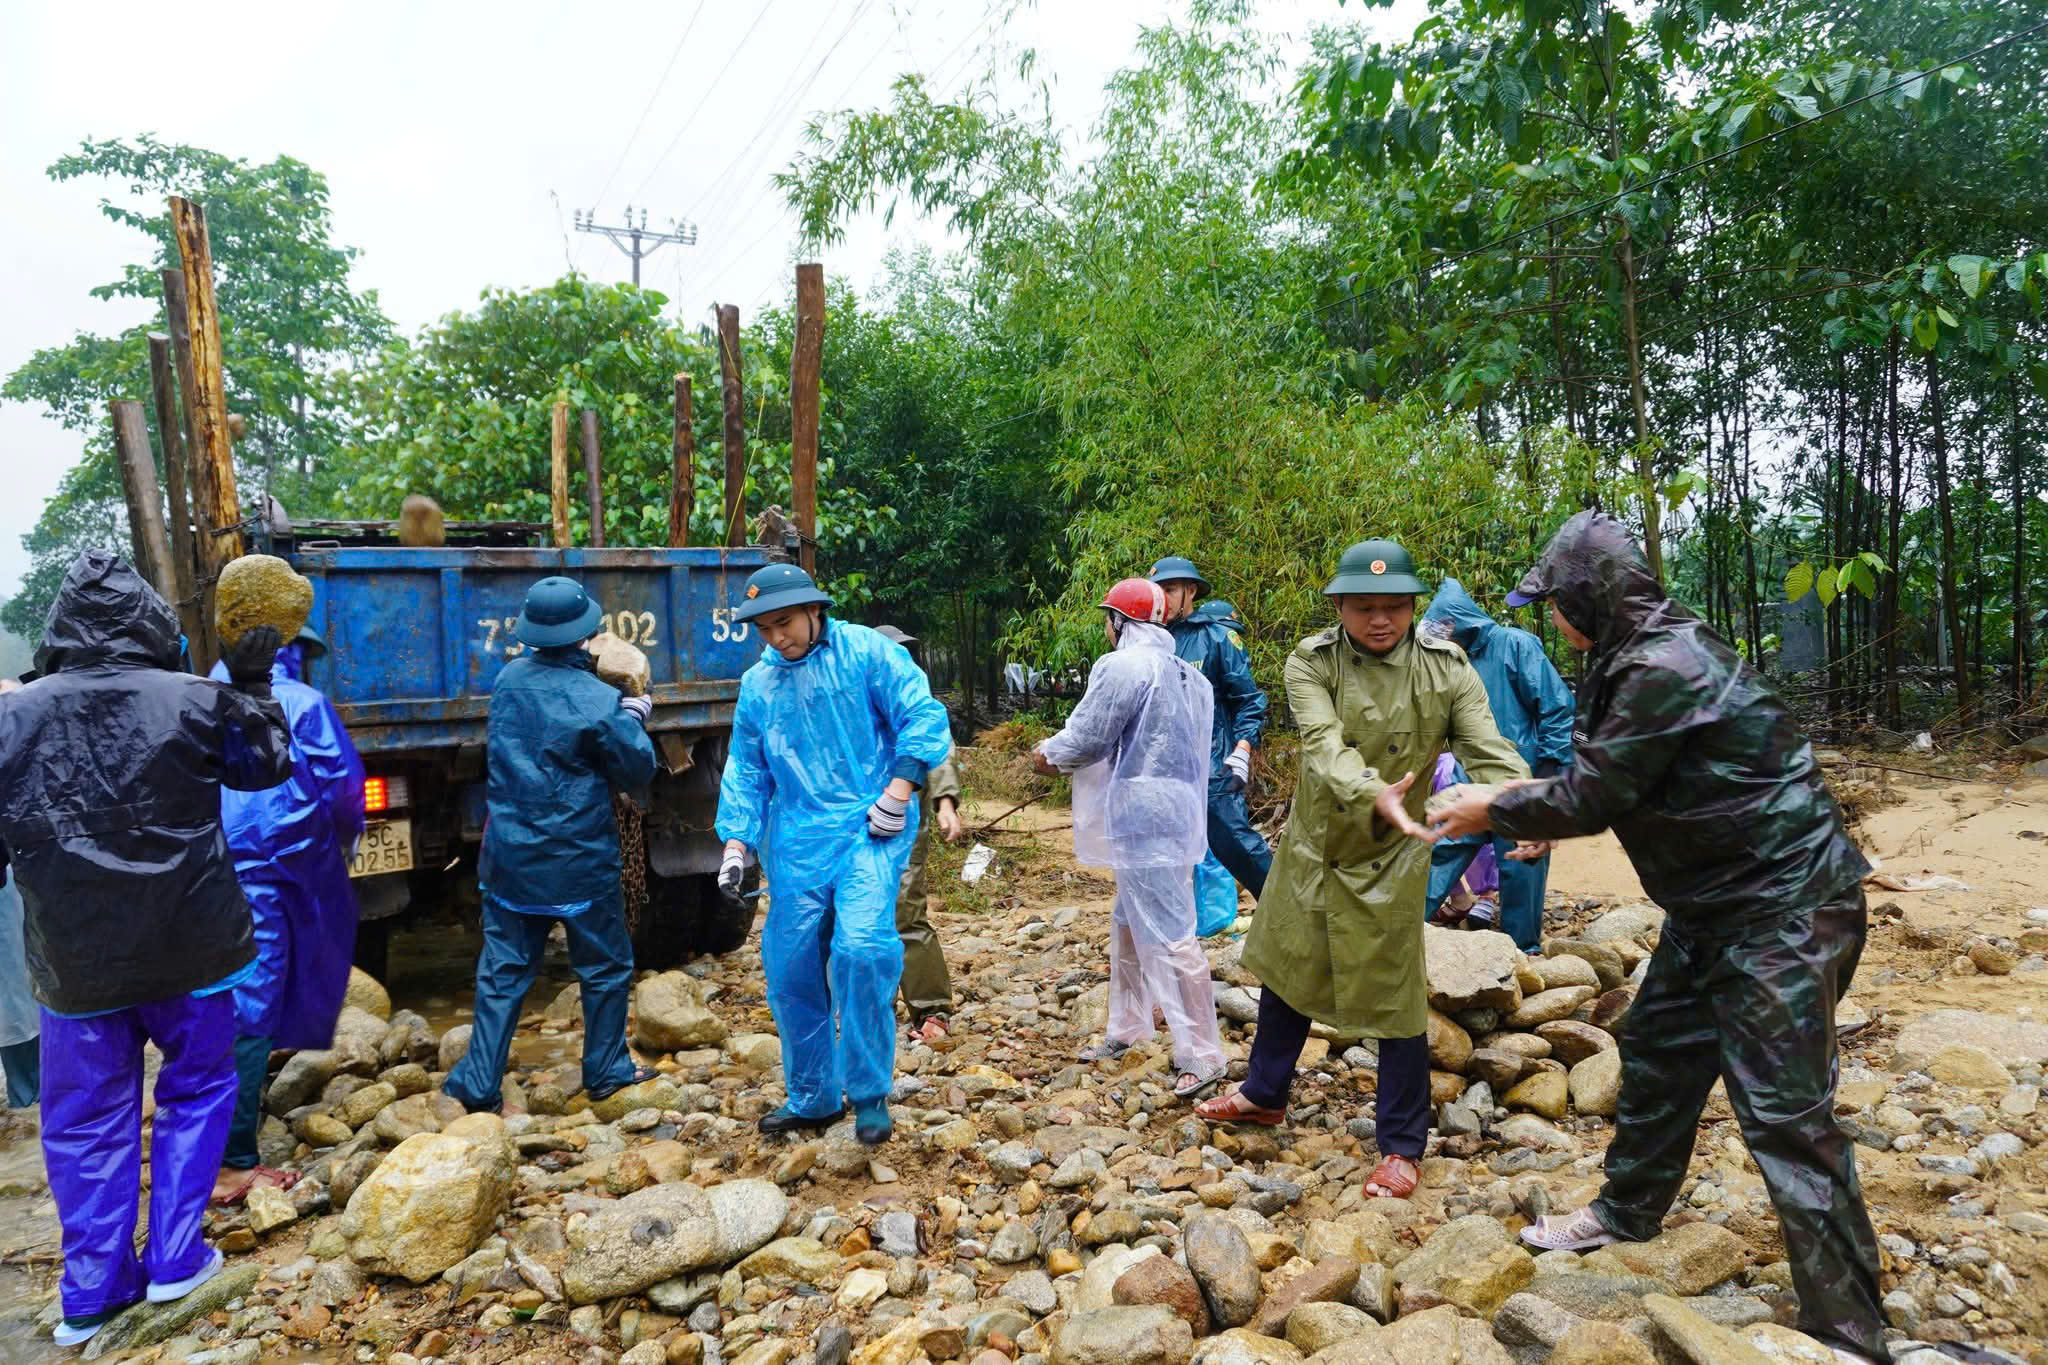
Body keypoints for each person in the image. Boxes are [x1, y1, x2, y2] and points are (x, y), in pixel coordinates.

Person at [1428, 511, 1887, 1365]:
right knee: (1661, 1050)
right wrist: (1545, 815)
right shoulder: (1634, 651)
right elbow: (1628, 777)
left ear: (1586, 599)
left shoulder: (1663, 661)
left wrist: (1495, 805)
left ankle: (1851, 1332)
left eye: (1554, 602)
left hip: (1783, 910)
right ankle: (1626, 1211)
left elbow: (1599, 791)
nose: (1550, 619)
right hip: (1715, 908)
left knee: (1787, 1117)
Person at [0, 551, 292, 1347]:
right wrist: (257, 685)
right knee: (197, 1088)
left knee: (86, 1116)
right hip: (191, 947)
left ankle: (90, 1288)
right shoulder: (197, 697)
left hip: (74, 961)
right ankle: (174, 1256)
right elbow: (267, 766)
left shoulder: (14, 715)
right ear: (149, 622)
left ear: (61, 631)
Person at [1196, 540, 1527, 1200]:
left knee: (1397, 991)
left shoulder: (1446, 668)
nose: (1382, 619)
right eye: (1366, 607)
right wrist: (1372, 786)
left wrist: (1525, 806)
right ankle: (1264, 1092)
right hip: (1319, 842)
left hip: (1394, 850)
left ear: (1413, 606)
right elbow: (1323, 745)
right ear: (1340, 606)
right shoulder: (1311, 662)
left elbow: (1489, 749)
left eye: (1397, 606)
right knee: (1291, 962)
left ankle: (1402, 1144)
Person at [715, 565, 953, 1146]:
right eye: (764, 628)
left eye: (785, 622)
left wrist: (899, 792)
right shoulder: (759, 687)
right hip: (795, 838)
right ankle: (814, 1096)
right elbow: (747, 769)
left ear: (814, 610)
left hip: (870, 826)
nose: (776, 637)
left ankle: (869, 1091)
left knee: (864, 948)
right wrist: (736, 844)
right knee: (792, 966)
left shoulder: (867, 653)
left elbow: (920, 716)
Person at [443, 577, 659, 1116]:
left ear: (532, 634)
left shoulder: (509, 680)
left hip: (511, 858)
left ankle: (478, 1081)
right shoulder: (600, 698)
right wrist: (632, 717)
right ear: (587, 635)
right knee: (605, 967)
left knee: (504, 970)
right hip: (580, 860)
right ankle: (606, 1068)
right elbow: (637, 771)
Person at [1034, 578, 1226, 1100]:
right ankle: (1128, 1028)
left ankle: (1201, 1053)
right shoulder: (1191, 677)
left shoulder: (1123, 666)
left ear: (1119, 620)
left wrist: (1047, 755)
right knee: (1128, 924)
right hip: (1177, 812)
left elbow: (1089, 736)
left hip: (1142, 816)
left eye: (1107, 619)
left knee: (1168, 933)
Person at [207, 627, 365, 1202]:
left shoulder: (196, 693)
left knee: (216, 996)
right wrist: (342, 848)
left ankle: (200, 1130)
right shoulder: (300, 702)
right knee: (255, 1001)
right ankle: (232, 1161)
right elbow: (344, 791)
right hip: (279, 867)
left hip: (210, 868)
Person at [1418, 578, 1575, 951]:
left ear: (1460, 624)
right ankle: (1397, 935)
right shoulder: (1446, 661)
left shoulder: (1514, 644)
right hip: (1467, 775)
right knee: (1440, 850)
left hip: (1522, 772)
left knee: (1521, 862)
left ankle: (1524, 951)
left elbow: (1556, 707)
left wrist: (1550, 773)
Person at [1149, 558, 1272, 898]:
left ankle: (1293, 913)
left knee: (1236, 844)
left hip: (1213, 766)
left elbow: (1249, 700)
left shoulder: (1216, 638)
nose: (1163, 598)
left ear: (1190, 592)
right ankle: (1171, 936)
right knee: (1162, 854)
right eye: (1158, 590)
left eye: (1171, 590)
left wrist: (1243, 750)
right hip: (1161, 770)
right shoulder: (1146, 641)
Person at [876, 626, 964, 1044]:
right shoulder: (853, 703)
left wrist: (945, 802)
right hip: (854, 828)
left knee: (905, 913)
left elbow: (939, 752)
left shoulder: (919, 704)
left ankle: (932, 1009)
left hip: (907, 824)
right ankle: (863, 1007)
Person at [1425, 753, 1500, 929]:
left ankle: (1487, 896)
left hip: (1463, 762)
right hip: (1430, 759)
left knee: (1471, 824)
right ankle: (1460, 900)